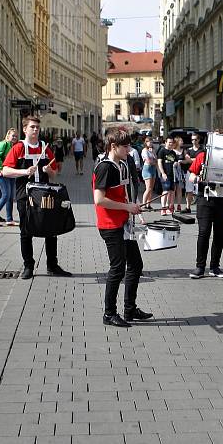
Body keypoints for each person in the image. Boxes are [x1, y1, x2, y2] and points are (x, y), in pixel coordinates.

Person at [92, 128, 153, 327]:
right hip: (110, 225)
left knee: (136, 265)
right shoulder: (104, 167)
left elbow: (125, 194)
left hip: (123, 223)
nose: (129, 149)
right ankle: (109, 314)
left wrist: (134, 210)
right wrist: (127, 207)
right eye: (125, 146)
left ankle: (129, 309)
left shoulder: (123, 164)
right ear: (113, 147)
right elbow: (99, 200)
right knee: (117, 268)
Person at [1, 115, 72, 280]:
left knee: (51, 229)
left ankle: (52, 265)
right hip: (25, 195)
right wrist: (24, 172)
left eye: (37, 127)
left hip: (45, 194)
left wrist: (49, 171)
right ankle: (28, 266)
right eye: (32, 127)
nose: (35, 130)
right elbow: (5, 171)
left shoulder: (45, 148)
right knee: (26, 231)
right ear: (25, 129)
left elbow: (54, 175)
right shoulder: (18, 148)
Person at [188, 144, 223, 279]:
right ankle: (200, 267)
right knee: (204, 232)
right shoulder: (203, 156)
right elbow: (191, 175)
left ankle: (214, 267)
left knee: (219, 234)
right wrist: (197, 178)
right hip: (205, 199)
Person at [0, 128, 20, 226]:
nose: (14, 138)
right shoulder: (3, 144)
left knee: (10, 197)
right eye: (13, 136)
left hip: (11, 173)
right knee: (6, 195)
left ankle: (9, 219)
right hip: (2, 173)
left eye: (16, 136)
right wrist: (1, 169)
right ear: (8, 136)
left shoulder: (14, 145)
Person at [157, 136, 177, 215]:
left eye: (172, 142)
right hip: (165, 174)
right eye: (169, 142)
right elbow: (159, 163)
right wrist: (163, 173)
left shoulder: (173, 152)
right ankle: (163, 208)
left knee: (171, 192)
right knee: (165, 191)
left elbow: (175, 162)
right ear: (166, 143)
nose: (171, 144)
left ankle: (169, 207)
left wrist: (176, 163)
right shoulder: (162, 151)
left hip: (173, 175)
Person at [185, 134, 203, 213]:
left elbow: (203, 159)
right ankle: (188, 207)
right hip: (190, 172)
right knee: (189, 191)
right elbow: (187, 160)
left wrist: (193, 160)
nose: (194, 141)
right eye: (192, 140)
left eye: (195, 139)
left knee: (199, 191)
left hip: (199, 173)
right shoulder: (189, 150)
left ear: (198, 140)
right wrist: (197, 159)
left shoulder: (202, 150)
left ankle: (199, 208)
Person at [140, 136, 158, 210]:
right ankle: (143, 204)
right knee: (148, 188)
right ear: (146, 143)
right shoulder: (144, 150)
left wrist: (153, 157)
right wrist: (153, 161)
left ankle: (148, 204)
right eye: (149, 142)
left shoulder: (152, 150)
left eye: (151, 142)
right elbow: (148, 161)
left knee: (151, 188)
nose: (150, 143)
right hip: (147, 169)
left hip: (153, 169)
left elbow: (156, 159)